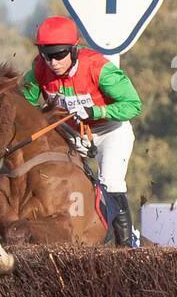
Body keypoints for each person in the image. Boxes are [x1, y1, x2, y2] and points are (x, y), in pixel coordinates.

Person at [21, 16, 143, 247]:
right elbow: (22, 103)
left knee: (111, 182)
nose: (53, 62)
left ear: (74, 50)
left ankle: (127, 243)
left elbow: (134, 105)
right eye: (47, 55)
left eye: (59, 55)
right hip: (69, 132)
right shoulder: (39, 69)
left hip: (110, 131)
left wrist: (95, 112)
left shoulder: (99, 68)